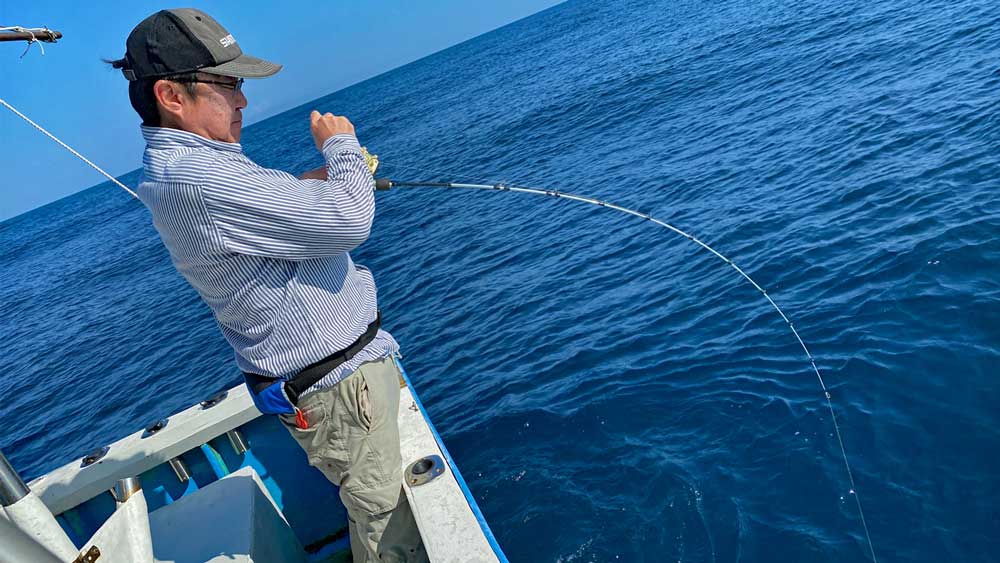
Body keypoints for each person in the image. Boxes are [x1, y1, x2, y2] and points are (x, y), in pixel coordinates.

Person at [107, 9, 425, 562]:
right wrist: (342, 148)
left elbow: (258, 201)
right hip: (343, 393)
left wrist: (308, 186)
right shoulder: (196, 176)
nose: (243, 101)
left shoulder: (193, 166)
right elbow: (348, 222)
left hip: (337, 388)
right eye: (228, 84)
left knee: (384, 521)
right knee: (388, 533)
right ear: (171, 95)